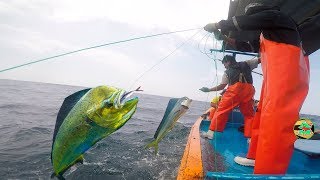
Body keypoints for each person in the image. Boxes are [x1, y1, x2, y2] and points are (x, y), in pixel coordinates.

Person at [203, 3, 309, 174]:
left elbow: (246, 22)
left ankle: (270, 169)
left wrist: (218, 25)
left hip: (288, 71)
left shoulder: (275, 16)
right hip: (272, 78)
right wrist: (224, 38)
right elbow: (248, 46)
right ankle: (255, 156)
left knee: (277, 117)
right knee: (259, 114)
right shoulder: (268, 33)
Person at [200, 55, 259, 140]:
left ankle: (210, 133)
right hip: (249, 91)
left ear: (228, 61)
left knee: (221, 110)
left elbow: (221, 86)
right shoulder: (247, 63)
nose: (224, 66)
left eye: (224, 64)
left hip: (234, 91)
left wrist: (208, 90)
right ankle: (250, 139)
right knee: (249, 115)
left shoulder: (226, 72)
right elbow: (260, 60)